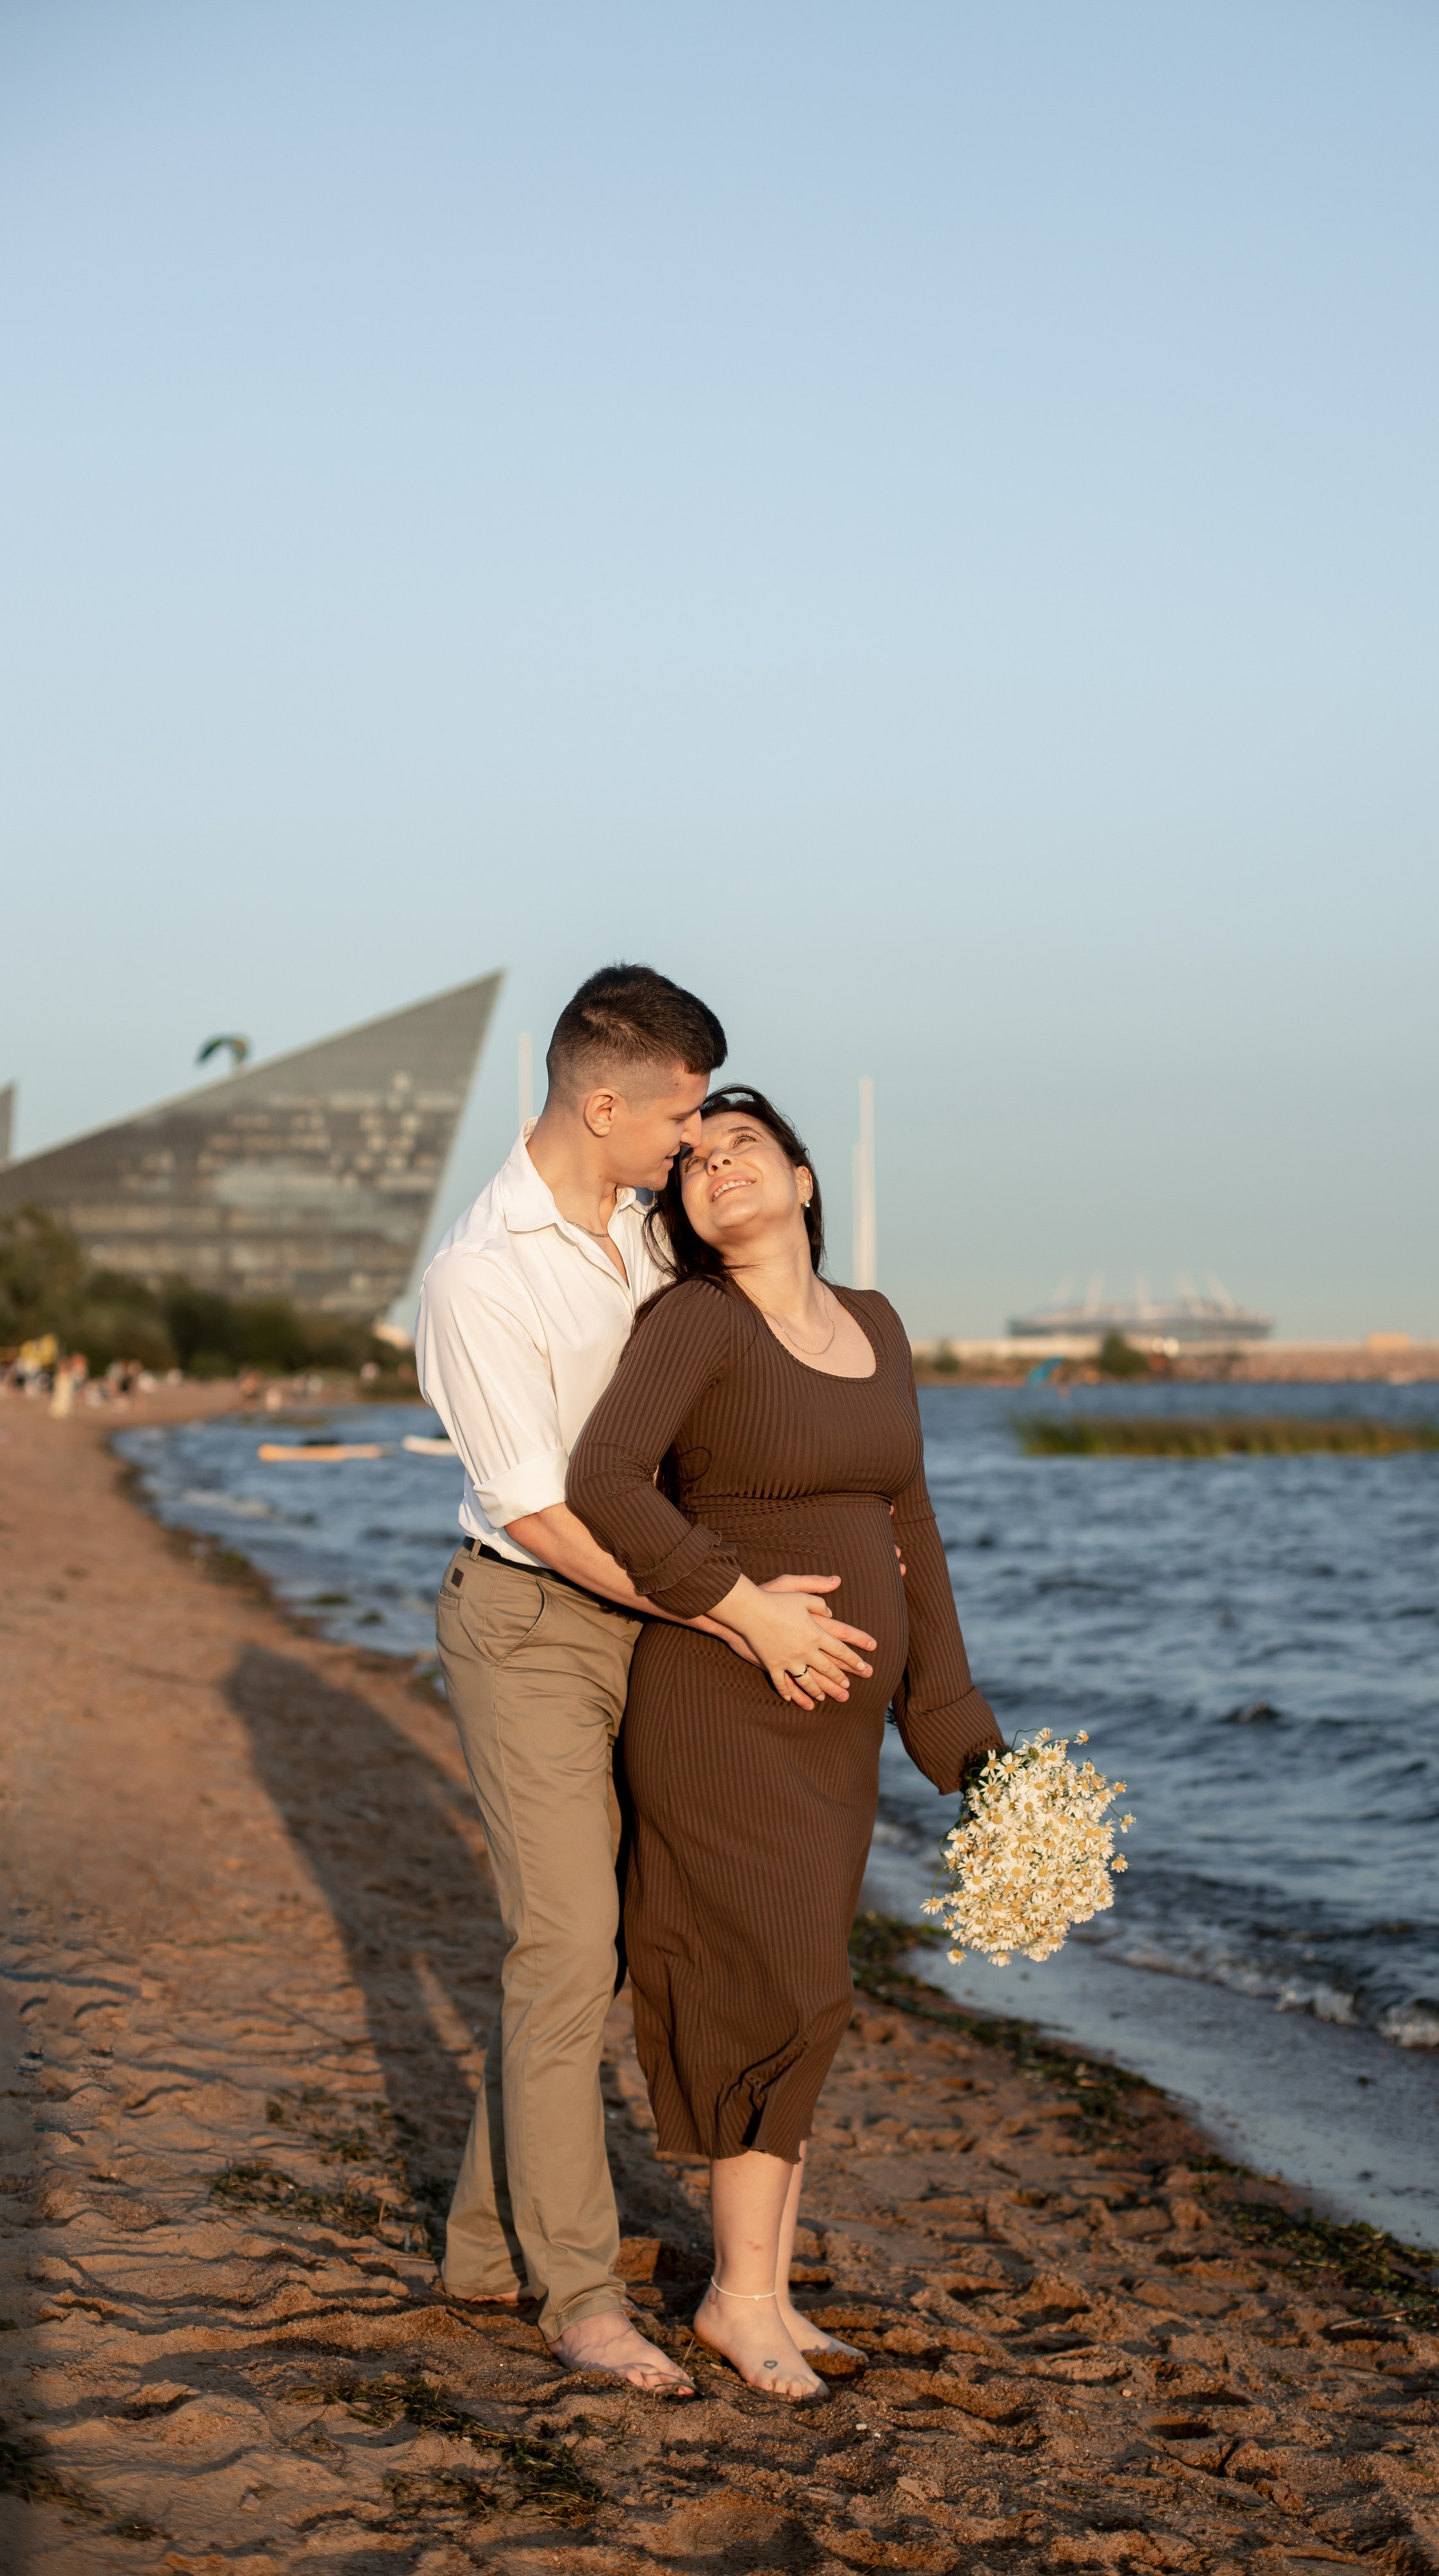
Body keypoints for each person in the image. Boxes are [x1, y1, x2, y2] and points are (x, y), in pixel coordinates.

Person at [416, 972, 873, 2394]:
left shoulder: (646, 1233)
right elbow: (544, 1514)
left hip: (661, 1628)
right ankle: (577, 2296)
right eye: (681, 1117)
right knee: (565, 1948)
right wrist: (733, 1611)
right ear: (603, 1102)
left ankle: (484, 2248)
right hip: (536, 1625)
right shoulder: (479, 1274)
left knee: (605, 1949)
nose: (695, 1142)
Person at [566, 1088, 1005, 2403]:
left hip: (836, 1732)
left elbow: (910, 1526)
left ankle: (760, 2291)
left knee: (809, 1987)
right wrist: (736, 1603)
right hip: (722, 1706)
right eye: (693, 1159)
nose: (715, 1167)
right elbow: (604, 1479)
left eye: (743, 1146)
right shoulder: (698, 1320)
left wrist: (958, 1730)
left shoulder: (877, 1324)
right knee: (778, 1988)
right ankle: (741, 2300)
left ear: (805, 1180)